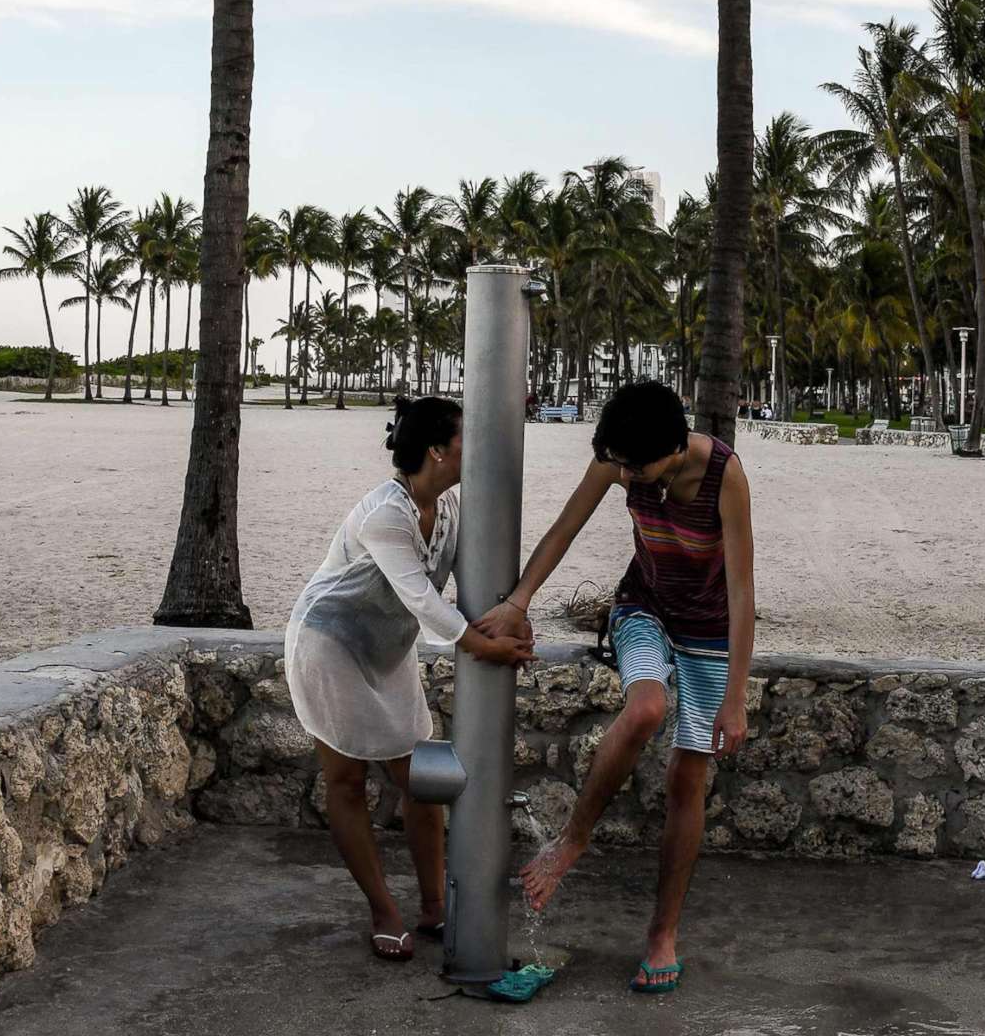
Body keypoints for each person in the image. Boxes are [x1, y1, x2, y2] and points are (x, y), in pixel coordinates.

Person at [476, 381, 755, 996]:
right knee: (647, 706)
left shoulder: (724, 476)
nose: (627, 478)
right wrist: (518, 602)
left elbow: (742, 591)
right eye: (620, 465)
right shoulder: (620, 455)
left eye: (638, 468)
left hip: (710, 628)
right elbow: (563, 528)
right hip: (643, 607)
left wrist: (735, 697)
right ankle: (573, 839)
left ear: (677, 448)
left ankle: (662, 935)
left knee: (689, 777)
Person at [285, 395, 530, 961]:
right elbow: (423, 601)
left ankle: (433, 907)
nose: (477, 448)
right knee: (345, 781)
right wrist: (484, 648)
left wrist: (513, 619)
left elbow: (477, 584)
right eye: (467, 438)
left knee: (423, 779)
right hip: (330, 646)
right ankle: (383, 910)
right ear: (437, 451)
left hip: (389, 654)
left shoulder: (450, 508)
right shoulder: (385, 514)